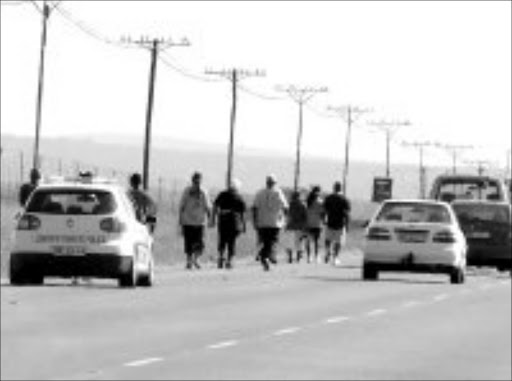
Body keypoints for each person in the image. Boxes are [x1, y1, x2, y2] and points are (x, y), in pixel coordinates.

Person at [252, 174, 289, 271]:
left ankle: (265, 256)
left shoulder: (259, 193)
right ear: (275, 183)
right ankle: (268, 256)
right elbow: (285, 207)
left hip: (262, 222)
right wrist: (285, 217)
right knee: (272, 241)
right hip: (275, 222)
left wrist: (255, 221)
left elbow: (254, 208)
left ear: (266, 182)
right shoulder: (278, 192)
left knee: (265, 241)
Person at [179, 172, 212, 270]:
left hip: (196, 221)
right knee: (191, 242)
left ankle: (194, 260)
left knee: (196, 243)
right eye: (196, 180)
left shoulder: (202, 192)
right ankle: (191, 260)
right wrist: (180, 219)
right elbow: (182, 206)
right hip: (192, 221)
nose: (197, 182)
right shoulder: (188, 191)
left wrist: (210, 218)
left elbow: (207, 207)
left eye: (198, 180)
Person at [211, 178, 247, 269]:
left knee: (222, 240)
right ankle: (229, 261)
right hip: (234, 222)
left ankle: (221, 256)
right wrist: (243, 225)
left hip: (222, 220)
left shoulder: (222, 194)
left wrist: (213, 218)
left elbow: (215, 206)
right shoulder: (239, 197)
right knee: (231, 242)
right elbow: (243, 212)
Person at [323, 181, 351, 266]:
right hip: (340, 223)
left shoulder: (329, 198)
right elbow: (347, 213)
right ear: (340, 188)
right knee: (338, 242)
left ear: (334, 188)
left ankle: (327, 251)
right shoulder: (344, 199)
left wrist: (323, 219)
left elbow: (324, 210)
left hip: (330, 222)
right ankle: (335, 257)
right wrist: (347, 224)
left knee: (328, 239)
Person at [285, 191, 308, 263]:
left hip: (290, 226)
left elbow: (287, 215)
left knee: (289, 243)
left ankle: (290, 258)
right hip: (299, 227)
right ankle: (298, 258)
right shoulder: (303, 205)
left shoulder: (289, 205)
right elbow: (305, 217)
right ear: (299, 197)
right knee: (299, 243)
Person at [305, 185, 325, 263]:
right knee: (317, 241)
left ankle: (309, 257)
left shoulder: (308, 201)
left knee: (308, 241)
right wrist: (323, 221)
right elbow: (322, 213)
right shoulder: (320, 202)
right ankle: (316, 256)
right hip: (317, 223)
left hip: (308, 223)